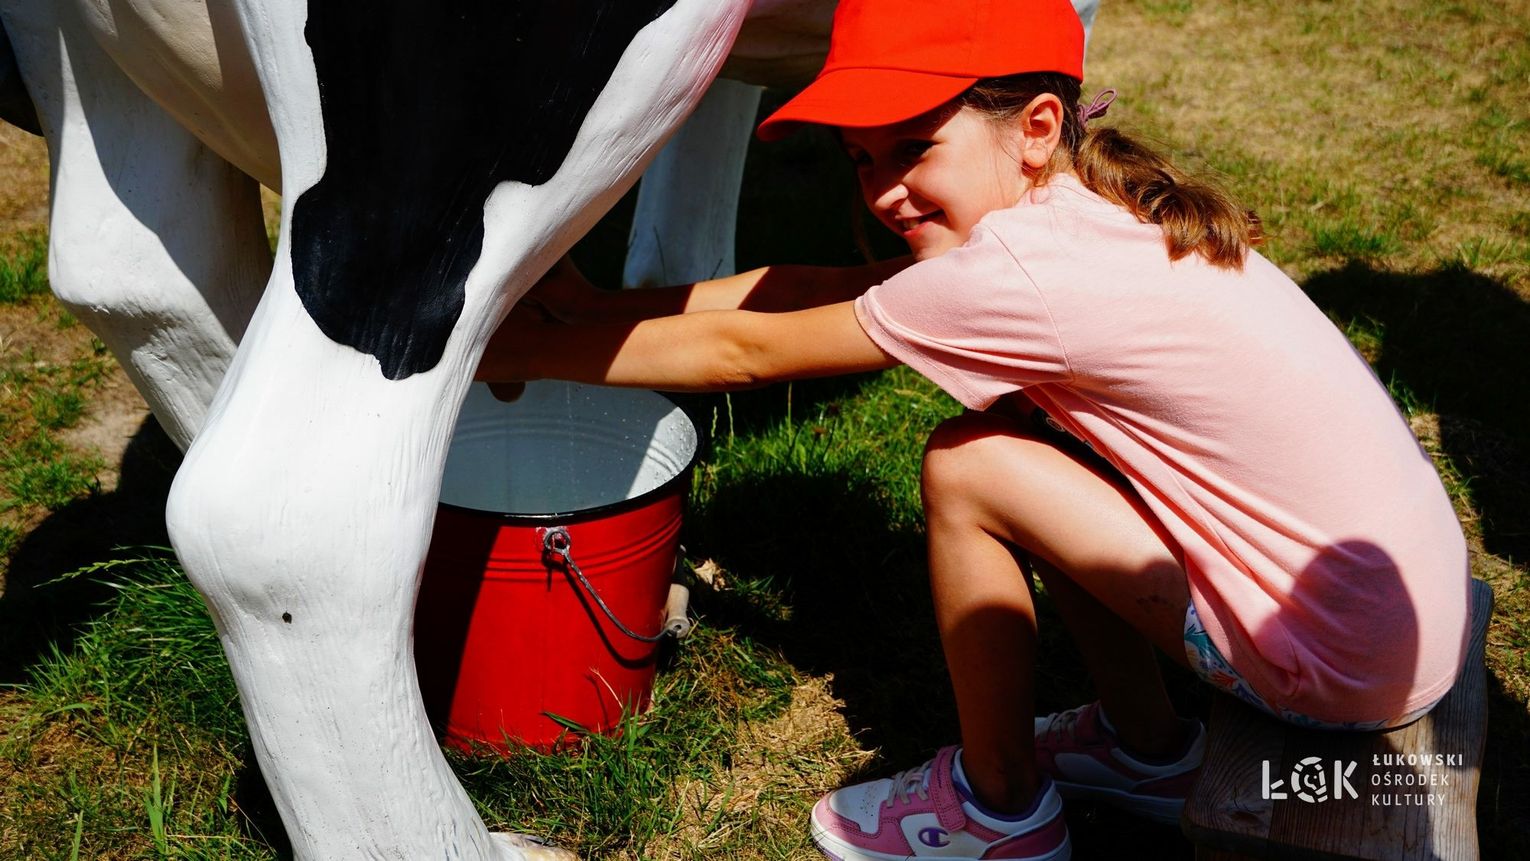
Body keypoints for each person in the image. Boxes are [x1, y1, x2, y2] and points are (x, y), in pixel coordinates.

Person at [477, 0, 1471, 857]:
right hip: (1389, 618)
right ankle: (1144, 746)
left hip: (1337, 667)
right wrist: (597, 309)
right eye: (860, 158)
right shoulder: (1078, 212)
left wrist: (521, 352)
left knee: (972, 466)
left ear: (1036, 126)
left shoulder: (1016, 277)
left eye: (913, 148)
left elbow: (745, 351)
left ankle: (1001, 810)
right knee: (1042, 444)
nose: (882, 190)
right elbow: (811, 288)